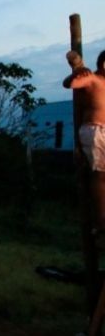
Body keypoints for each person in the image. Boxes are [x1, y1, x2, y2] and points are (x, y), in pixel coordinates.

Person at [64, 49, 105, 231]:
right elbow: (70, 83)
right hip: (95, 130)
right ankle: (101, 222)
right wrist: (79, 70)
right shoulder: (93, 79)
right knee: (100, 175)